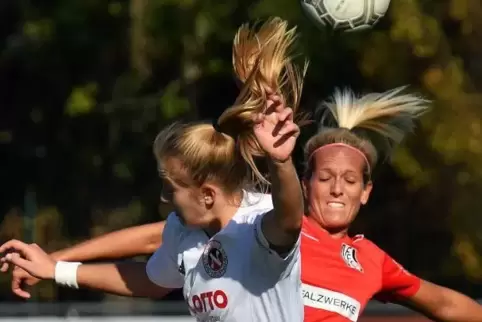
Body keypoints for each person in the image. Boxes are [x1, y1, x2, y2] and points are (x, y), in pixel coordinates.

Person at [0, 17, 308, 322]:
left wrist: (280, 162)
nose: (163, 198)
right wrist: (55, 269)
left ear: (208, 195)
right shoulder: (185, 234)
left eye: (171, 188)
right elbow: (149, 281)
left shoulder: (257, 223)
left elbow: (290, 218)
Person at [299, 86, 482, 322]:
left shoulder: (370, 260)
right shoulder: (278, 232)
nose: (337, 189)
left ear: (365, 192)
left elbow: (444, 304)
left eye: (350, 180)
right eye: (324, 178)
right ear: (305, 185)